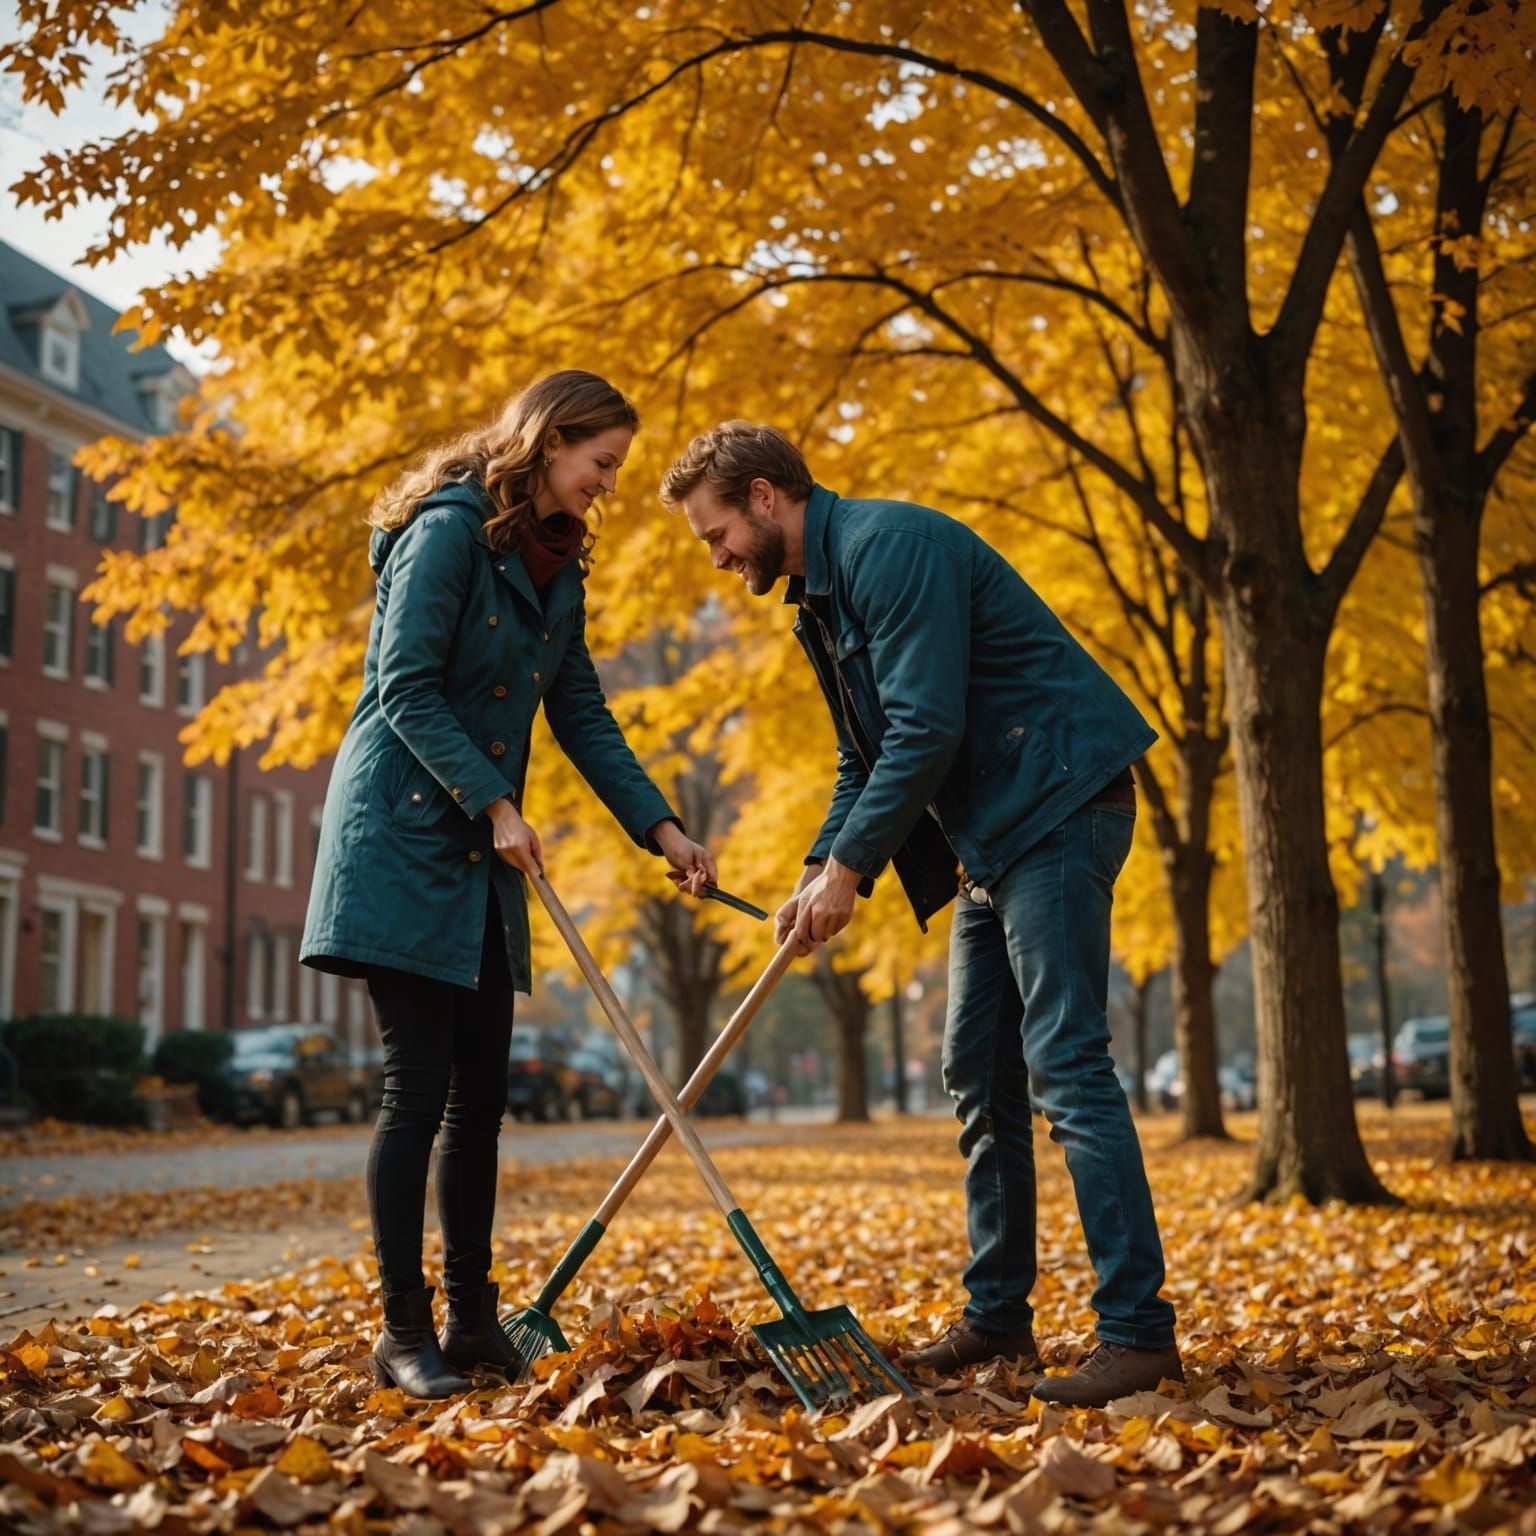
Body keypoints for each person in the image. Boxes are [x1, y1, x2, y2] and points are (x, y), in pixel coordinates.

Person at [661, 422, 1180, 1409]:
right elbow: (868, 754)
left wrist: (856, 870)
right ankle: (998, 1317)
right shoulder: (819, 600)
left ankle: (1140, 1336)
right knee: (977, 1073)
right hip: (996, 830)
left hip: (1059, 800)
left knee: (1066, 1058)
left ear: (766, 497)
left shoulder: (889, 549)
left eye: (717, 532)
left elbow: (928, 725)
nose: (719, 556)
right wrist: (822, 863)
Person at [303, 371, 715, 1399]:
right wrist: (494, 805)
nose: (607, 488)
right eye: (601, 465)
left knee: (481, 1095)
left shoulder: (562, 568)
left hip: (482, 847)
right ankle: (403, 1333)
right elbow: (403, 687)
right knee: (418, 1088)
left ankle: (474, 1321)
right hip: (404, 836)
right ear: (548, 441)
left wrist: (660, 829)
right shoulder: (446, 531)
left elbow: (581, 713)